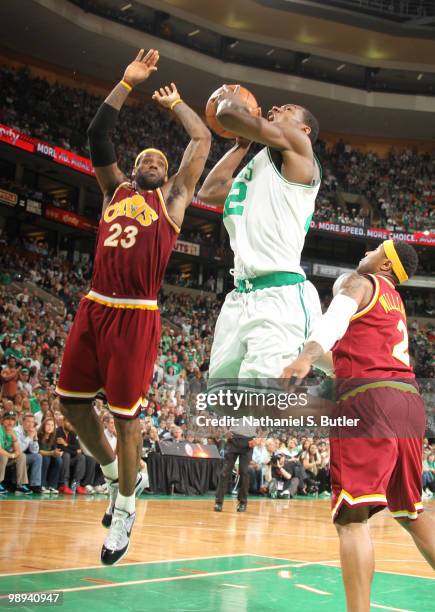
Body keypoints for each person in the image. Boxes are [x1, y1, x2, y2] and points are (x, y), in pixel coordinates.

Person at [56, 48, 211, 565]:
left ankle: (125, 510)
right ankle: (113, 473)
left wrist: (177, 105)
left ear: (167, 178)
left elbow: (200, 140)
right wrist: (126, 82)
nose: (150, 163)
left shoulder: (171, 204)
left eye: (158, 162)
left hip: (137, 314)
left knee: (126, 421)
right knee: (72, 405)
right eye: (144, 158)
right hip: (94, 305)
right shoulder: (111, 190)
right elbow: (98, 137)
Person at [281, 239, 435, 611]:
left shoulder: (360, 282)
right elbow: (349, 361)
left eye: (374, 252)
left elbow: (333, 319)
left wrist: (305, 355)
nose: (364, 254)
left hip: (369, 402)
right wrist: (313, 359)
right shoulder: (392, 303)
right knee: (410, 511)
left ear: (385, 266)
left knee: (351, 517)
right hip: (407, 402)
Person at [198, 92, 324, 508]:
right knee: (220, 399)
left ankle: (335, 403)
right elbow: (211, 188)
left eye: (285, 110)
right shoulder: (255, 166)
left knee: (262, 399)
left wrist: (235, 106)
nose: (275, 111)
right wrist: (238, 146)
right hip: (240, 298)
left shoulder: (299, 152)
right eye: (272, 112)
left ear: (302, 129)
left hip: (280, 293)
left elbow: (229, 112)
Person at [0, 411, 32, 495]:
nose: (10, 422)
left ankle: (20, 485)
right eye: (8, 419)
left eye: (13, 420)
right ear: (2, 420)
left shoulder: (12, 432)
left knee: (22, 456)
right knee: (3, 456)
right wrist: (11, 455)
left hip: (7, 456)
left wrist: (14, 438)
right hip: (2, 455)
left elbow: (18, 450)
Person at [14, 413, 42, 493]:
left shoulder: (31, 431)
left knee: (38, 457)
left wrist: (35, 438)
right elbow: (18, 450)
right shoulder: (16, 431)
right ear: (23, 422)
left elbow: (34, 451)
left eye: (32, 422)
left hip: (22, 456)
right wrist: (29, 437)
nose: (30, 424)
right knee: (22, 455)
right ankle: (20, 485)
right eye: (28, 421)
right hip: (13, 455)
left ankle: (34, 485)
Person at [38, 417, 63, 494]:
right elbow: (38, 451)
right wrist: (52, 453)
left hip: (49, 455)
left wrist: (58, 453)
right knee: (46, 459)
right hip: (40, 455)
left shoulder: (53, 436)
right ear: (43, 425)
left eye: (52, 425)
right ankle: (42, 485)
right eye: (48, 425)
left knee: (59, 460)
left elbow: (54, 449)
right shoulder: (38, 435)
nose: (50, 427)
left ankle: (52, 485)